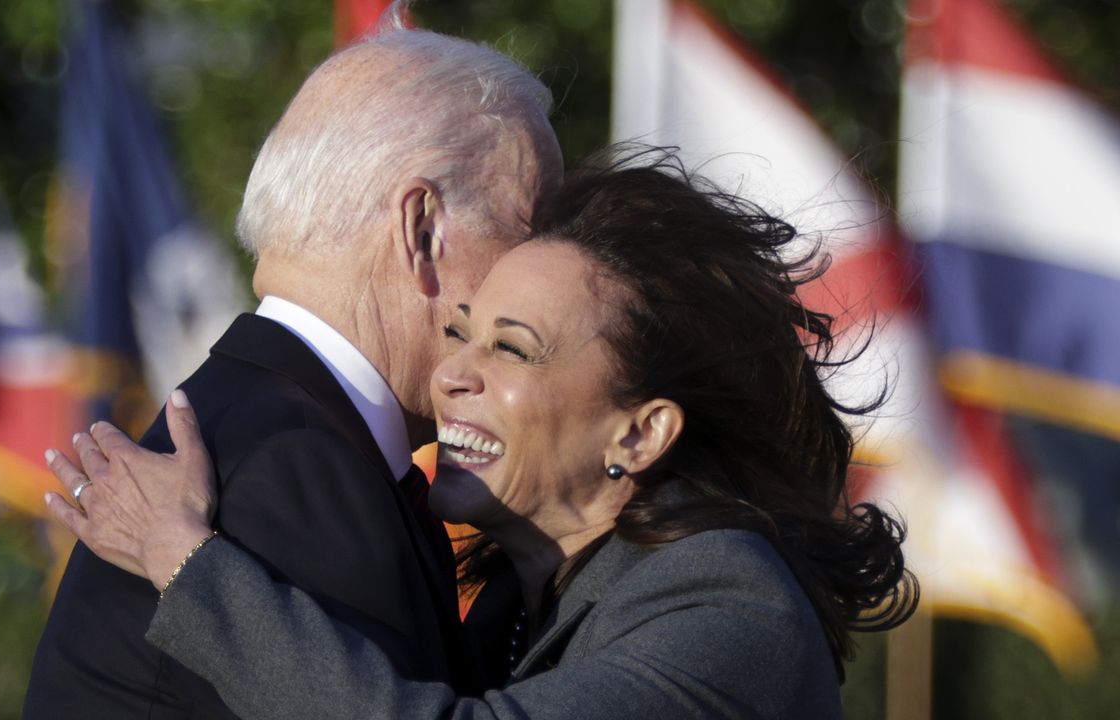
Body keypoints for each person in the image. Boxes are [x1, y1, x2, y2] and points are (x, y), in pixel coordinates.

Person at [47, 148, 916, 719]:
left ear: (643, 433)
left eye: (513, 349)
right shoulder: (513, 604)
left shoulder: (729, 603)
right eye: (460, 331)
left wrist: (184, 562)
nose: (453, 373)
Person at [23, 13, 563, 719]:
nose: (548, 276)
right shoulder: (294, 464)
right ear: (422, 230)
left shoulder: (277, 430)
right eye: (531, 233)